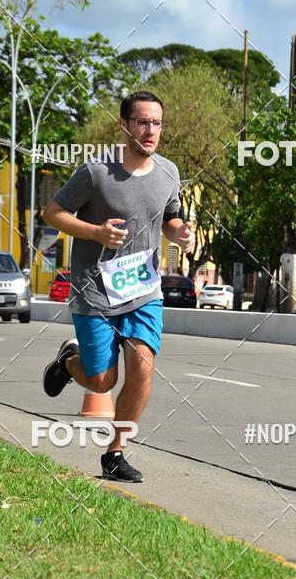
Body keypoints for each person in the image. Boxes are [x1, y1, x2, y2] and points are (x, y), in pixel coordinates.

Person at [41, 91, 195, 482]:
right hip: (95, 290)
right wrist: (95, 231)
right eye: (142, 122)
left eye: (157, 123)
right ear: (124, 125)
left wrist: (180, 234)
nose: (150, 130)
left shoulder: (168, 172)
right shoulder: (96, 173)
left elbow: (170, 217)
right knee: (102, 380)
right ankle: (67, 362)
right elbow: (53, 212)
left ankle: (115, 452)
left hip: (142, 289)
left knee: (143, 362)